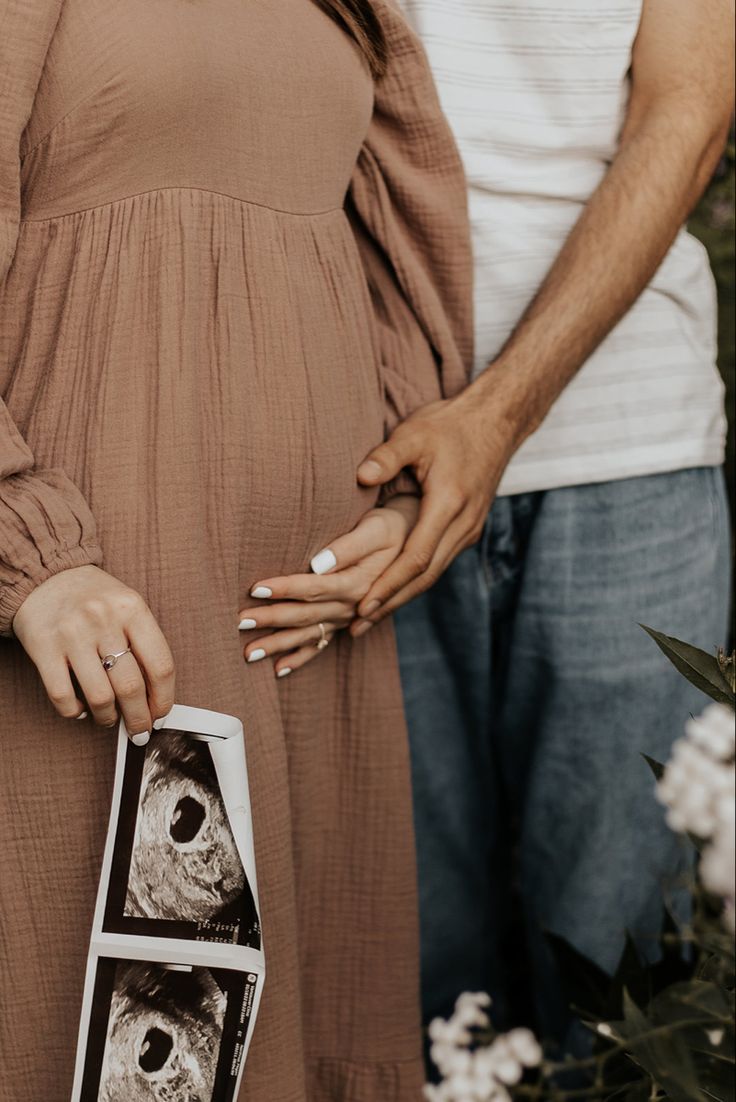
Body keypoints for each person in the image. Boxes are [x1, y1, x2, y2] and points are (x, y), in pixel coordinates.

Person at [0, 2, 473, 1099]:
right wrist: (27, 544)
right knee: (112, 1026)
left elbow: (405, 232)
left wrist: (408, 497)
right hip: (104, 606)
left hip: (307, 625)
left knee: (277, 1020)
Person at [267, 0, 734, 1045]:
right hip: (354, 457)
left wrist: (492, 415)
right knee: (410, 985)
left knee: (621, 998)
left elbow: (688, 113)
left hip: (624, 455)